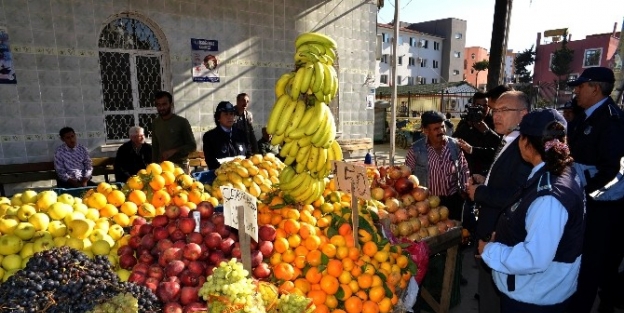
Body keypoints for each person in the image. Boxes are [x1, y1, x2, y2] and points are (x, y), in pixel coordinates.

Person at [479, 108, 584, 313]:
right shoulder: (558, 170)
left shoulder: (549, 195)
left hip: (534, 296)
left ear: (525, 143)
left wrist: (490, 250)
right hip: (542, 289)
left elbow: (534, 257)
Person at [466, 90, 533, 313]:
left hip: (500, 236)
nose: (496, 115)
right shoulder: (508, 140)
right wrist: (486, 180)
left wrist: (480, 194)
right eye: (495, 110)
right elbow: (506, 181)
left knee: (494, 299)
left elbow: (516, 197)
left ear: (523, 115)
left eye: (504, 111)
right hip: (491, 233)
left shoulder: (524, 149)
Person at [565, 67, 624, 313]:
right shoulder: (583, 116)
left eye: (581, 85)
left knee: (594, 262)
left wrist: (585, 194)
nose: (576, 90)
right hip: (585, 201)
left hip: (604, 207)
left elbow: (613, 171)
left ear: (596, 88)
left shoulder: (612, 120)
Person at [405, 111, 470, 221]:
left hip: (453, 200)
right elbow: (407, 176)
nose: (441, 131)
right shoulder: (416, 149)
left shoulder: (454, 145)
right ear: (425, 131)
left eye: (442, 127)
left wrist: (464, 191)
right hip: (427, 204)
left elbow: (464, 169)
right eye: (436, 129)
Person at [454, 91, 501, 176]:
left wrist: (487, 131)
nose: (482, 109)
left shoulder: (495, 122)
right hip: (468, 170)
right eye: (478, 106)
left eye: (485, 105)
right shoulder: (466, 122)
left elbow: (499, 147)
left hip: (487, 171)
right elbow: (455, 141)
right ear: (473, 106)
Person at [151, 91, 197, 173]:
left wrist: (174, 151)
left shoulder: (182, 122)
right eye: (158, 105)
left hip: (180, 167)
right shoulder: (155, 123)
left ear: (171, 104)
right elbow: (155, 147)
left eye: (164, 104)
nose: (161, 108)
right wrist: (154, 165)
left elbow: (192, 146)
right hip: (162, 168)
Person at [202, 101, 250, 170]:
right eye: (226, 114)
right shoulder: (209, 137)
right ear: (218, 117)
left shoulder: (241, 134)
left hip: (241, 174)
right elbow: (211, 161)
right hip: (221, 176)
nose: (229, 117)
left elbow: (249, 154)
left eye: (231, 114)